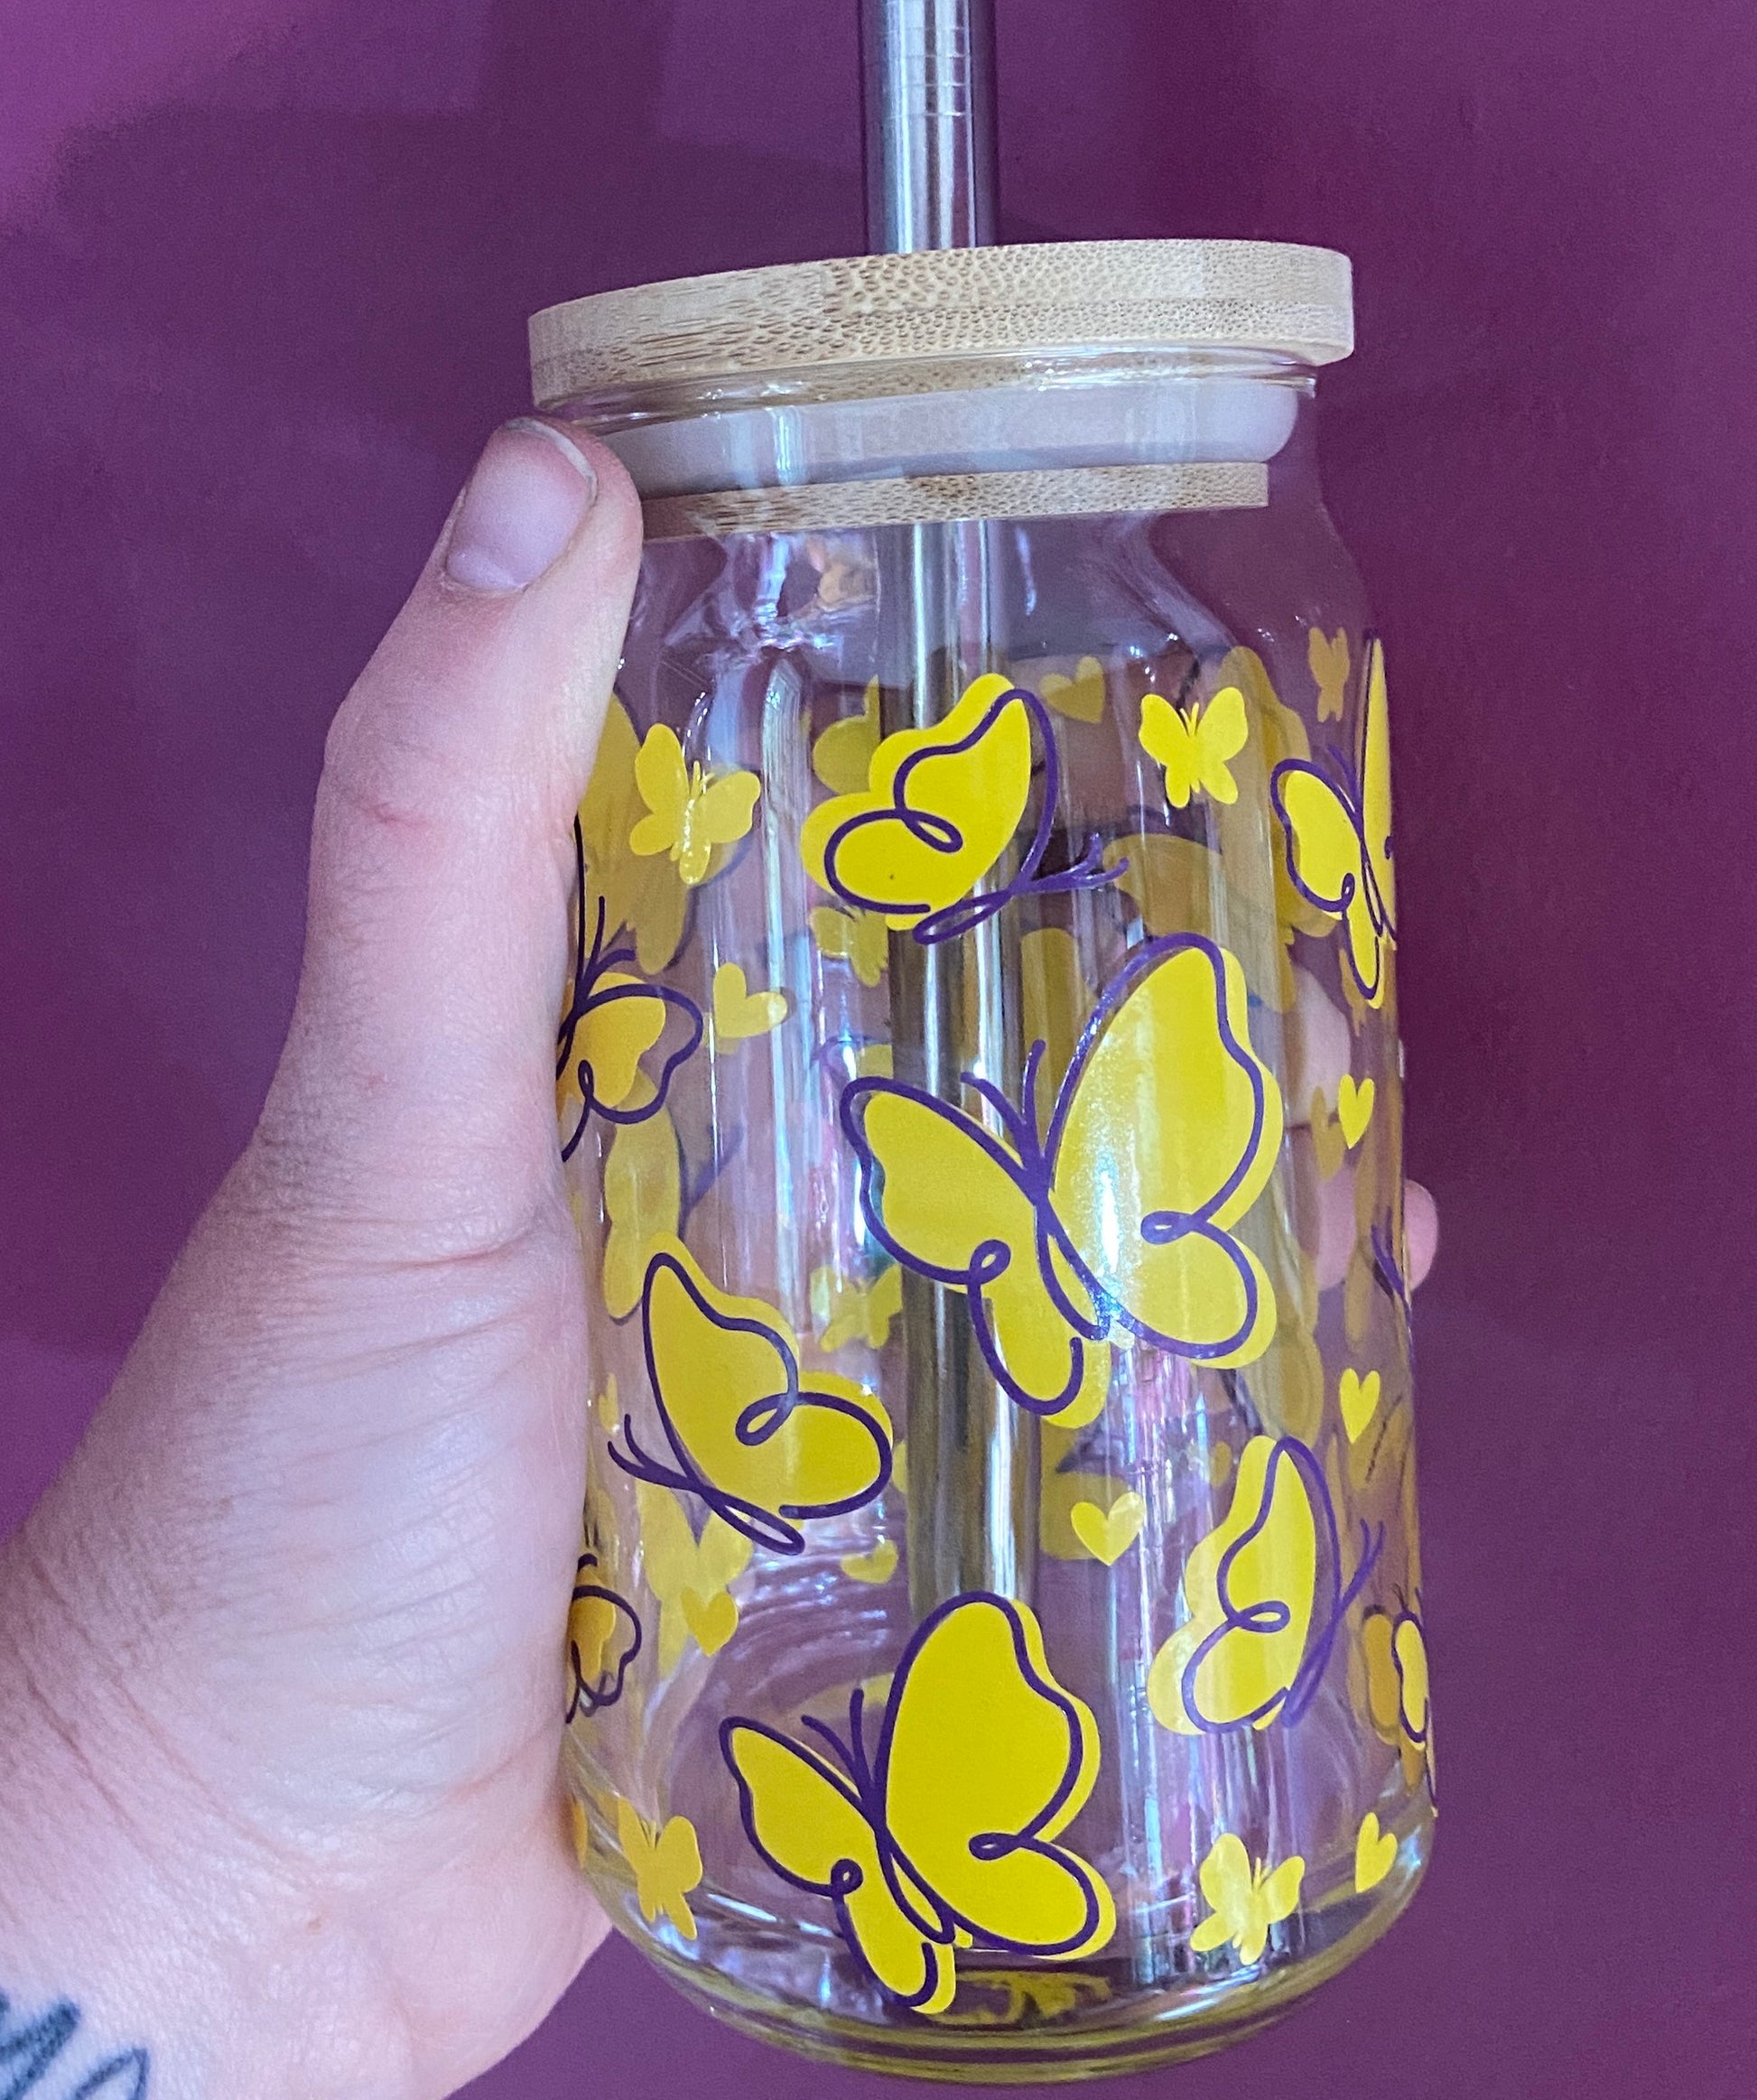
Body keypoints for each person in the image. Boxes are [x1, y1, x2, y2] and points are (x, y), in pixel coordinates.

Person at [0, 420, 1437, 2099]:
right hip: (736, 1825)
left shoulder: (1232, 594)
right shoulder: (726, 652)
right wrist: (165, 1838)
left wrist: (163, 1852)